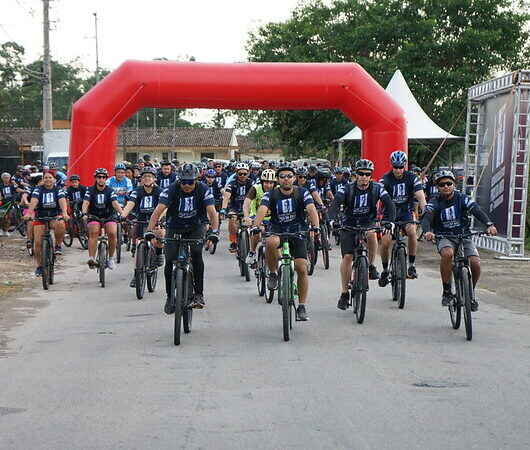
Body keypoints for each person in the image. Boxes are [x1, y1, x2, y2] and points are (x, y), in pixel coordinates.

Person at [147, 163, 219, 312]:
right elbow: (158, 210)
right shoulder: (171, 189)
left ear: (196, 180)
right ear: (179, 180)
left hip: (196, 226)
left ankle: (198, 294)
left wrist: (214, 231)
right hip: (174, 226)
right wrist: (149, 231)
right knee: (169, 259)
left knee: (197, 254)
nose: (187, 185)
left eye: (190, 182)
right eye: (183, 182)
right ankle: (169, 297)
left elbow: (212, 212)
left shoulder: (203, 189)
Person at [422, 170, 497, 311]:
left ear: (454, 184)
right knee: (447, 254)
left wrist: (489, 224)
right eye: (442, 184)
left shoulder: (462, 198)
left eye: (449, 183)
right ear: (437, 187)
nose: (446, 186)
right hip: (444, 236)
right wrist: (427, 231)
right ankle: (446, 292)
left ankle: (470, 293)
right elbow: (426, 217)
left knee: (475, 263)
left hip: (464, 236)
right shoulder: (434, 201)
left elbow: (476, 210)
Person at [254, 164, 320, 321]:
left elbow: (311, 209)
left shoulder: (302, 192)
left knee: (302, 268)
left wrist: (316, 226)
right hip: (277, 229)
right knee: (270, 242)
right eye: (282, 176)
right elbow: (262, 209)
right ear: (278, 179)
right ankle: (272, 273)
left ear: (294, 178)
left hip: (298, 231)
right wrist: (256, 226)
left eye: (289, 176)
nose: (286, 179)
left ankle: (302, 306)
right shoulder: (271, 194)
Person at [329, 159, 396, 310]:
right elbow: (334, 205)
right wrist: (332, 220)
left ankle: (371, 265)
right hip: (349, 223)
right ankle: (344, 293)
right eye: (361, 174)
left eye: (367, 174)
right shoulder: (346, 189)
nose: (364, 177)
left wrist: (389, 221)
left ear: (371, 176)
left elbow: (389, 204)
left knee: (372, 235)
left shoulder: (378, 188)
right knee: (348, 257)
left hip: (368, 222)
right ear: (355, 175)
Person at [378, 151, 426, 285]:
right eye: (395, 167)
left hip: (406, 211)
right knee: (386, 241)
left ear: (405, 165)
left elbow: (420, 196)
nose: (398, 170)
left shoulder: (412, 177)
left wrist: (425, 210)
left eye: (401, 167)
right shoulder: (385, 179)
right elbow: (378, 199)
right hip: (389, 213)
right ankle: (385, 269)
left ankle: (411, 264)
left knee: (412, 232)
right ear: (391, 166)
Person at [122, 167, 165, 287]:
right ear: (141, 179)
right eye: (145, 176)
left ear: (154, 178)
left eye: (150, 176)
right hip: (141, 220)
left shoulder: (160, 191)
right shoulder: (137, 191)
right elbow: (130, 204)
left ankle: (159, 252)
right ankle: (137, 274)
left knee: (161, 234)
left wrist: (159, 218)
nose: (147, 178)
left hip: (156, 220)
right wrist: (123, 215)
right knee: (138, 243)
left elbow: (163, 206)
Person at [24, 172, 69, 276]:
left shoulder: (58, 189)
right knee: (38, 244)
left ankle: (57, 245)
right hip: (41, 217)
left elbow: (62, 200)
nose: (48, 179)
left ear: (54, 179)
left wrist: (64, 213)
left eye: (50, 177)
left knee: (61, 224)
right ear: (43, 179)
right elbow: (34, 201)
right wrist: (30, 212)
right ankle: (39, 267)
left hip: (54, 216)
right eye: (46, 178)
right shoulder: (38, 189)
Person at [82, 168, 124, 270]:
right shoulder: (90, 190)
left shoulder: (110, 190)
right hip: (94, 216)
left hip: (109, 216)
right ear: (96, 178)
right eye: (99, 177)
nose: (101, 179)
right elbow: (86, 202)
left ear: (106, 179)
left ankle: (110, 259)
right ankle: (91, 258)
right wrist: (84, 213)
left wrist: (122, 213)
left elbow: (115, 203)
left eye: (103, 177)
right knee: (94, 231)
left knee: (112, 233)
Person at [242, 168, 277, 266]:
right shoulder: (255, 188)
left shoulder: (278, 189)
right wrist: (246, 216)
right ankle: (252, 252)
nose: (269, 185)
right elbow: (246, 203)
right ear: (262, 182)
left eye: (271, 183)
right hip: (256, 216)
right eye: (266, 182)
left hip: (273, 219)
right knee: (256, 232)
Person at [220, 163, 254, 253]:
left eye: (244, 174)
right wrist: (223, 209)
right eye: (240, 174)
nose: (242, 176)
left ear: (248, 173)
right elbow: (226, 197)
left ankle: (252, 249)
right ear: (236, 173)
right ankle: (233, 241)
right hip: (234, 208)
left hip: (248, 208)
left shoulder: (252, 183)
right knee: (232, 220)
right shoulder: (232, 183)